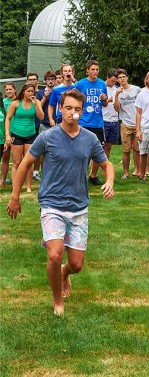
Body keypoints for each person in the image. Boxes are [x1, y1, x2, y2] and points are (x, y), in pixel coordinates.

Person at [6, 89, 114, 316]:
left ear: (81, 112)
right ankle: (57, 302)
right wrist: (14, 197)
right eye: (68, 108)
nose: (72, 113)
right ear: (60, 109)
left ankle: (65, 274)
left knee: (76, 265)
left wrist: (110, 181)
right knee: (54, 254)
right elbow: (25, 164)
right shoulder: (48, 137)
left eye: (77, 110)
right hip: (51, 204)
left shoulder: (89, 138)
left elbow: (106, 164)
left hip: (78, 208)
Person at [4, 83, 44, 193]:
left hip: (30, 134)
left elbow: (41, 117)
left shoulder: (36, 102)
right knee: (17, 162)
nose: (31, 93)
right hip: (16, 134)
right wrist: (8, 135)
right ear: (23, 92)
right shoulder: (16, 103)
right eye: (28, 91)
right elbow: (8, 118)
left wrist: (36, 104)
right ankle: (15, 185)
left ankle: (28, 187)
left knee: (29, 161)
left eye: (32, 91)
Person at [75, 60, 109, 186]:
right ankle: (79, 175)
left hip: (98, 123)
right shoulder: (80, 84)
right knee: (82, 150)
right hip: (84, 122)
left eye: (97, 69)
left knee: (98, 150)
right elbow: (75, 101)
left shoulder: (101, 84)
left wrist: (105, 100)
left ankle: (93, 175)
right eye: (93, 69)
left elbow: (105, 104)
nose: (95, 72)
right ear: (87, 70)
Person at [114, 68, 142, 179]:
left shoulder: (136, 89)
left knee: (137, 149)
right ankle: (126, 172)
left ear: (127, 77)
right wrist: (116, 95)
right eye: (120, 78)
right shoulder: (117, 92)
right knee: (126, 150)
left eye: (123, 77)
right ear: (117, 80)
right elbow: (116, 108)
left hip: (137, 123)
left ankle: (137, 170)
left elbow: (142, 104)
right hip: (125, 124)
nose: (122, 79)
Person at [33, 70, 57, 181]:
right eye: (49, 79)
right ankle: (42, 173)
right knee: (42, 150)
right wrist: (44, 97)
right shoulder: (40, 93)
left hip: (57, 124)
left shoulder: (58, 91)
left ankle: (53, 173)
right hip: (44, 124)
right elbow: (38, 107)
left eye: (53, 79)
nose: (51, 81)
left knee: (55, 150)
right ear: (45, 81)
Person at [48, 65, 76, 129]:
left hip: (74, 117)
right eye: (65, 71)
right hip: (61, 118)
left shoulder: (76, 87)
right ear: (62, 74)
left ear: (73, 73)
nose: (67, 73)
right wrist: (51, 119)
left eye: (69, 71)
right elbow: (51, 106)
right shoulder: (56, 89)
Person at [101, 69, 119, 165]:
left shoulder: (117, 89)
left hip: (114, 120)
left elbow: (118, 108)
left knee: (108, 146)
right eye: (112, 80)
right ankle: (94, 166)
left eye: (115, 81)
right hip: (103, 120)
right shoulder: (101, 87)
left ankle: (105, 165)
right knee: (100, 145)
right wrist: (108, 100)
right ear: (107, 77)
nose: (113, 83)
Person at [1, 83, 16, 186]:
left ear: (15, 90)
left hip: (16, 133)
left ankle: (16, 179)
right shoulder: (2, 102)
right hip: (6, 135)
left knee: (16, 159)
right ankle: (3, 180)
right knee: (5, 158)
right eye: (6, 90)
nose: (9, 91)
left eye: (10, 89)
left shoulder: (19, 101)